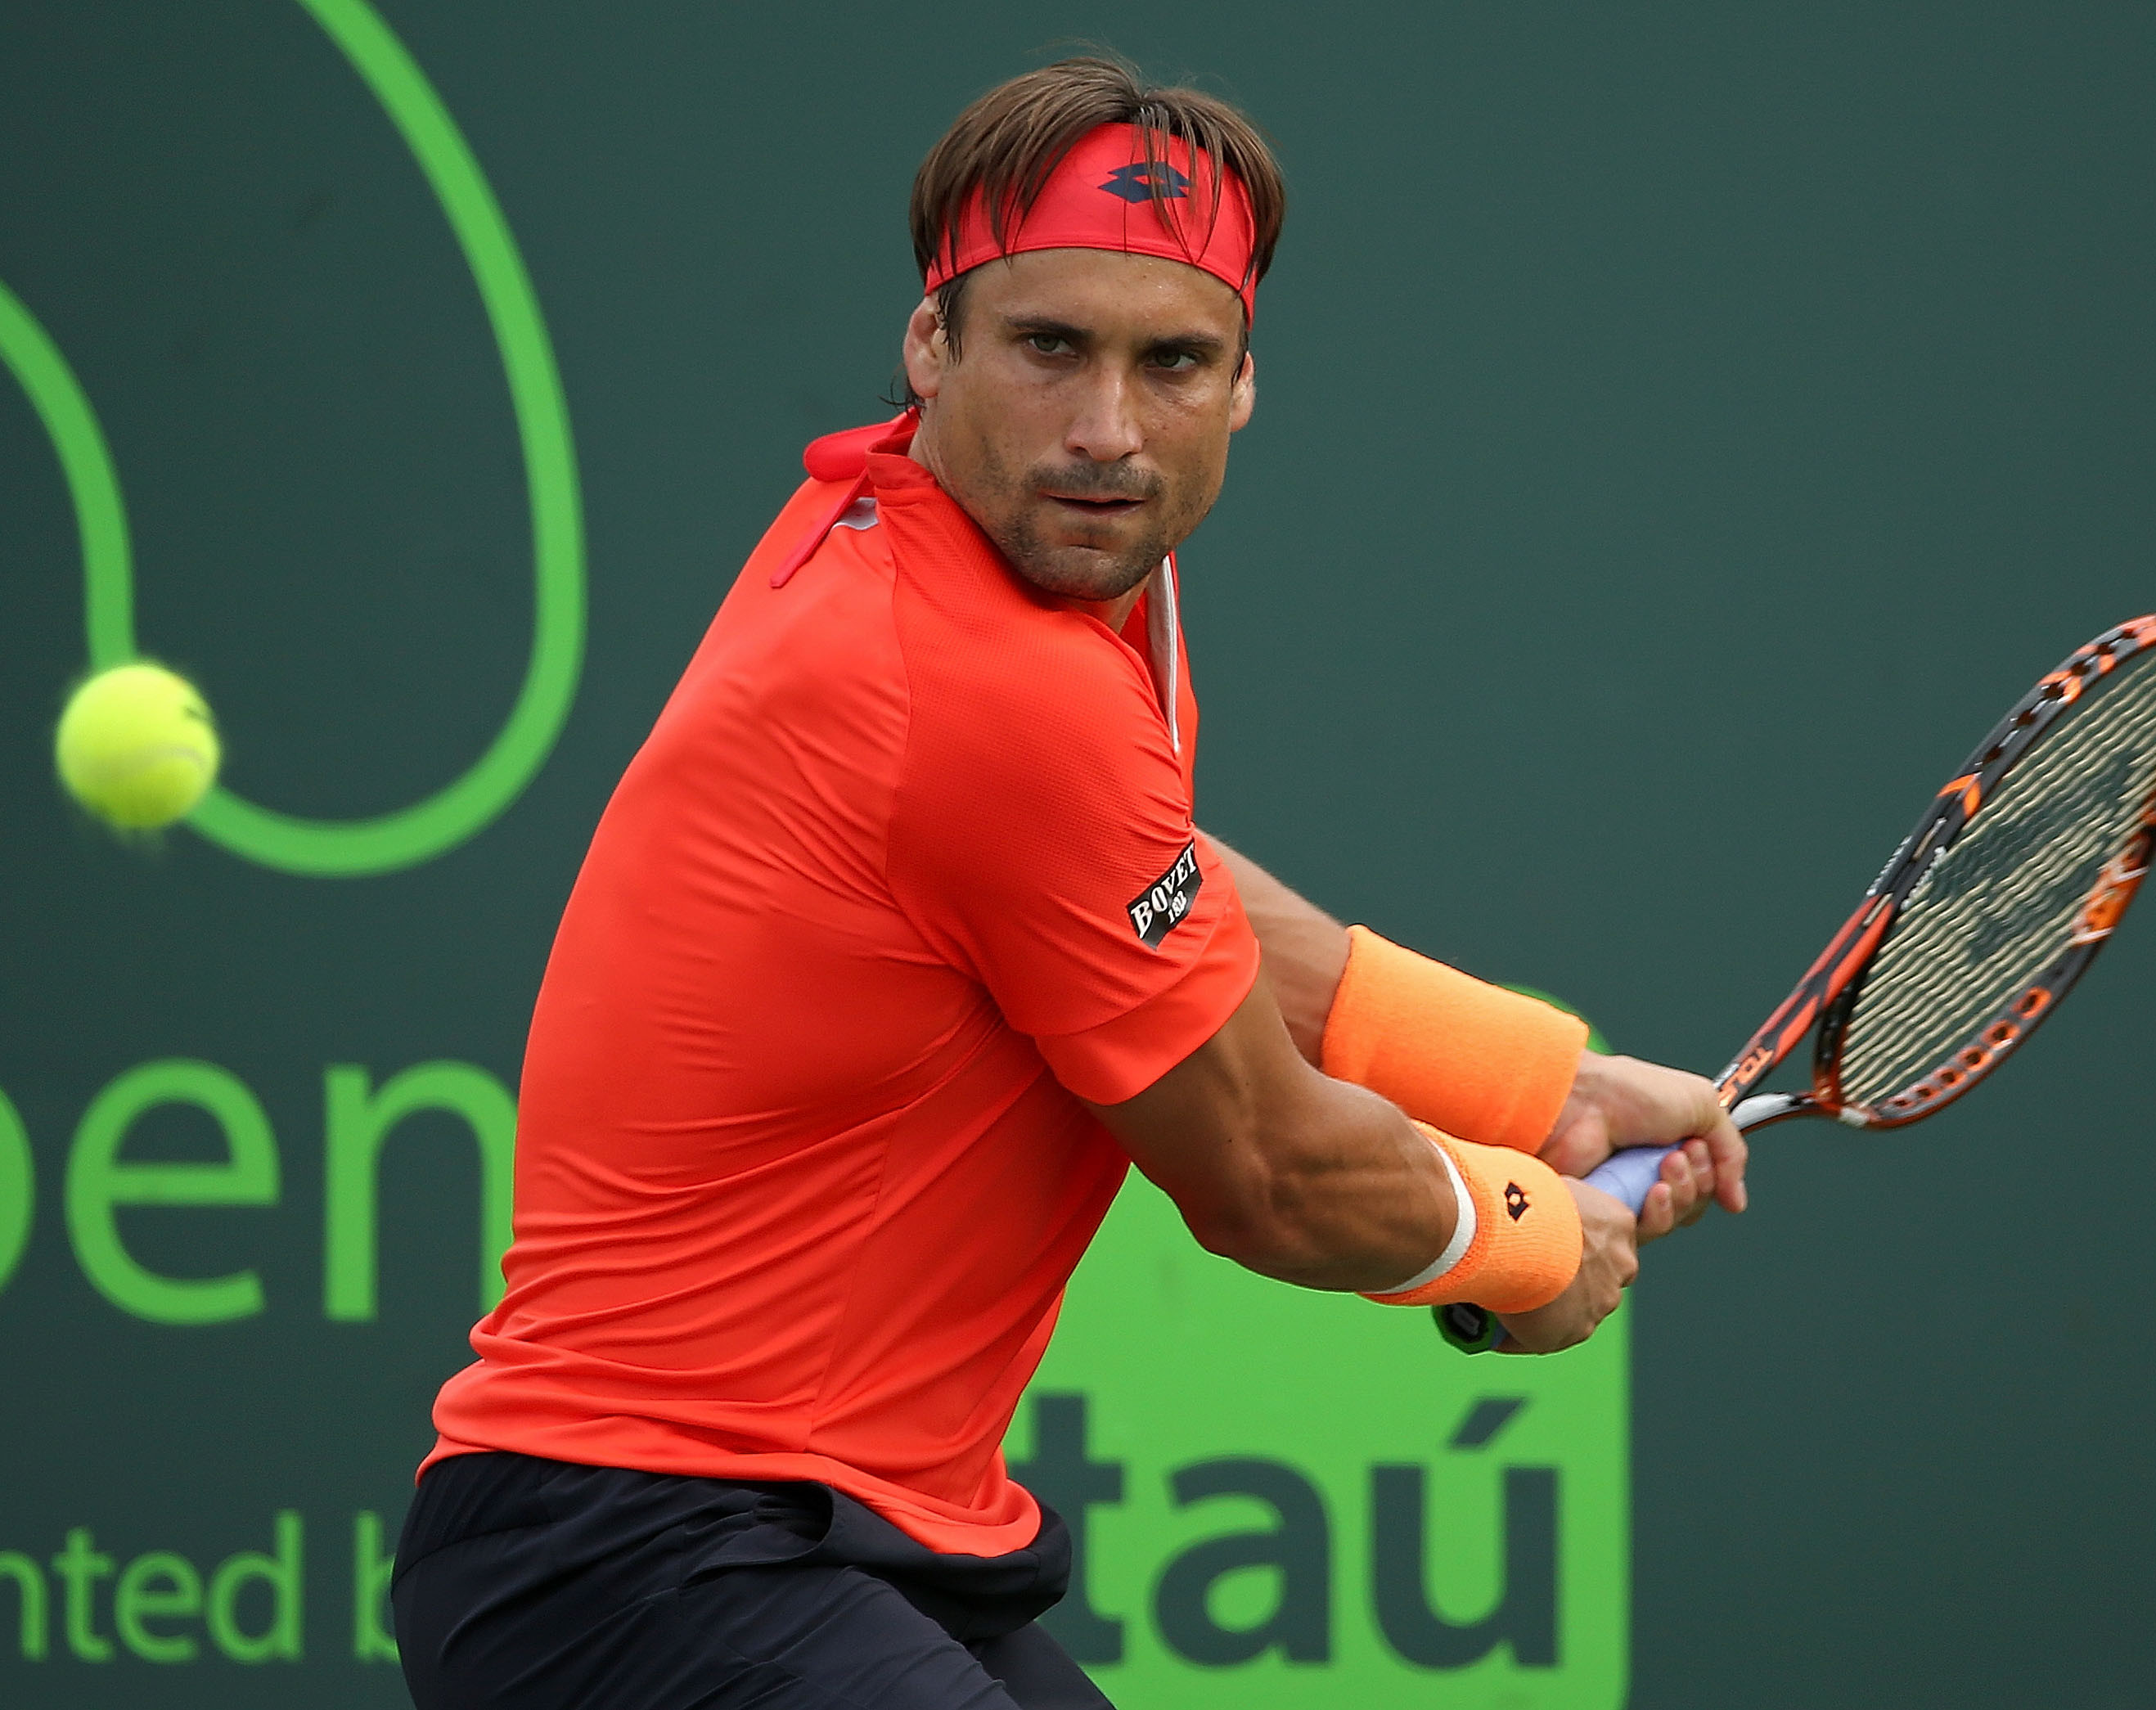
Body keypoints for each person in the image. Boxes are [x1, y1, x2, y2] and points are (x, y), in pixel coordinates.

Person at [392, 56, 1748, 1710]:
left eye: (1171, 360)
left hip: (823, 1534)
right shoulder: (984, 685)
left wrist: (1545, 1083)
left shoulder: (999, 568)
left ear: (1245, 381)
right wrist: (1530, 1246)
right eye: (1050, 348)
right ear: (930, 344)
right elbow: (1265, 1172)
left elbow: (1149, 887)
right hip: (641, 1560)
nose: (1107, 429)